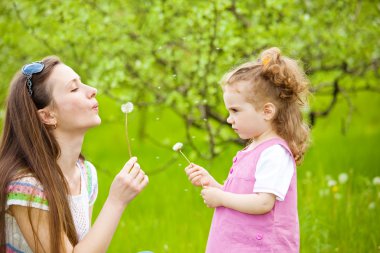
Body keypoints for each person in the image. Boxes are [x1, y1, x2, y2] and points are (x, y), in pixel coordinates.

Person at [0, 56, 149, 253]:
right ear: (47, 115)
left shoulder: (85, 173)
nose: (92, 90)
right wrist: (116, 201)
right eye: (74, 88)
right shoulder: (27, 186)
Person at [185, 47, 310, 252]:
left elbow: (263, 203)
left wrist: (221, 198)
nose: (228, 118)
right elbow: (243, 196)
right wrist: (215, 185)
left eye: (235, 110)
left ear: (267, 111)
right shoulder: (254, 148)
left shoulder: (275, 153)